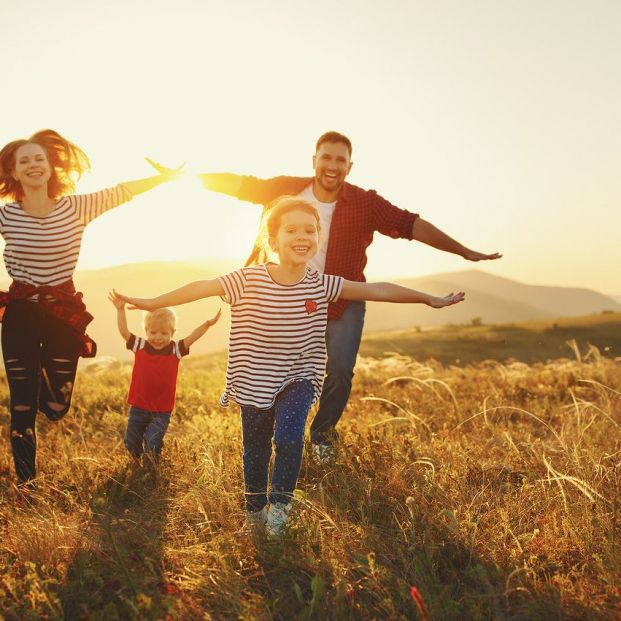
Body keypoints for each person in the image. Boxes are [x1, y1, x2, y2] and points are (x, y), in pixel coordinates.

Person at [114, 196, 465, 536]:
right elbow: (201, 287)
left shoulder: (321, 284)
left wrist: (427, 298)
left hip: (300, 377)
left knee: (289, 436)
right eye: (292, 230)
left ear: (317, 238)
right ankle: (255, 512)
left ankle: (280, 509)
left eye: (310, 231)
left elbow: (377, 290)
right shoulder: (247, 279)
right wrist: (150, 302)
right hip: (253, 380)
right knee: (255, 450)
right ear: (273, 240)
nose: (302, 237)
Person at [152, 131, 501, 460]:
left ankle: (321, 437)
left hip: (341, 297)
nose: (332, 166)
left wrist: (464, 252)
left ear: (350, 166)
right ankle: (275, 432)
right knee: (275, 369)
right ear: (314, 160)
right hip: (281, 295)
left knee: (340, 371)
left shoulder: (365, 203)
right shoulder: (287, 190)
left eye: (340, 160)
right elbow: (240, 185)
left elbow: (411, 225)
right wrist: (180, 177)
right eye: (326, 158)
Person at [0, 129, 182, 485]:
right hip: (21, 311)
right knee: (21, 408)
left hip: (62, 312)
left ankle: (35, 378)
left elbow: (121, 192)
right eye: (25, 161)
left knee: (55, 407)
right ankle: (27, 483)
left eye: (40, 159)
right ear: (15, 172)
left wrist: (165, 177)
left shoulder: (76, 207)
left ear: (52, 167)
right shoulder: (8, 216)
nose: (33, 165)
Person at [108, 293, 220, 462]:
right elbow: (124, 331)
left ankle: (151, 468)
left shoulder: (176, 349)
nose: (158, 337)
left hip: (162, 410)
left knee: (153, 442)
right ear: (146, 331)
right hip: (138, 406)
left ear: (172, 333)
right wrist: (120, 309)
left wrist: (208, 324)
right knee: (131, 442)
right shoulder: (140, 346)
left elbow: (193, 337)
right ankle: (136, 466)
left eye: (164, 333)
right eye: (153, 332)